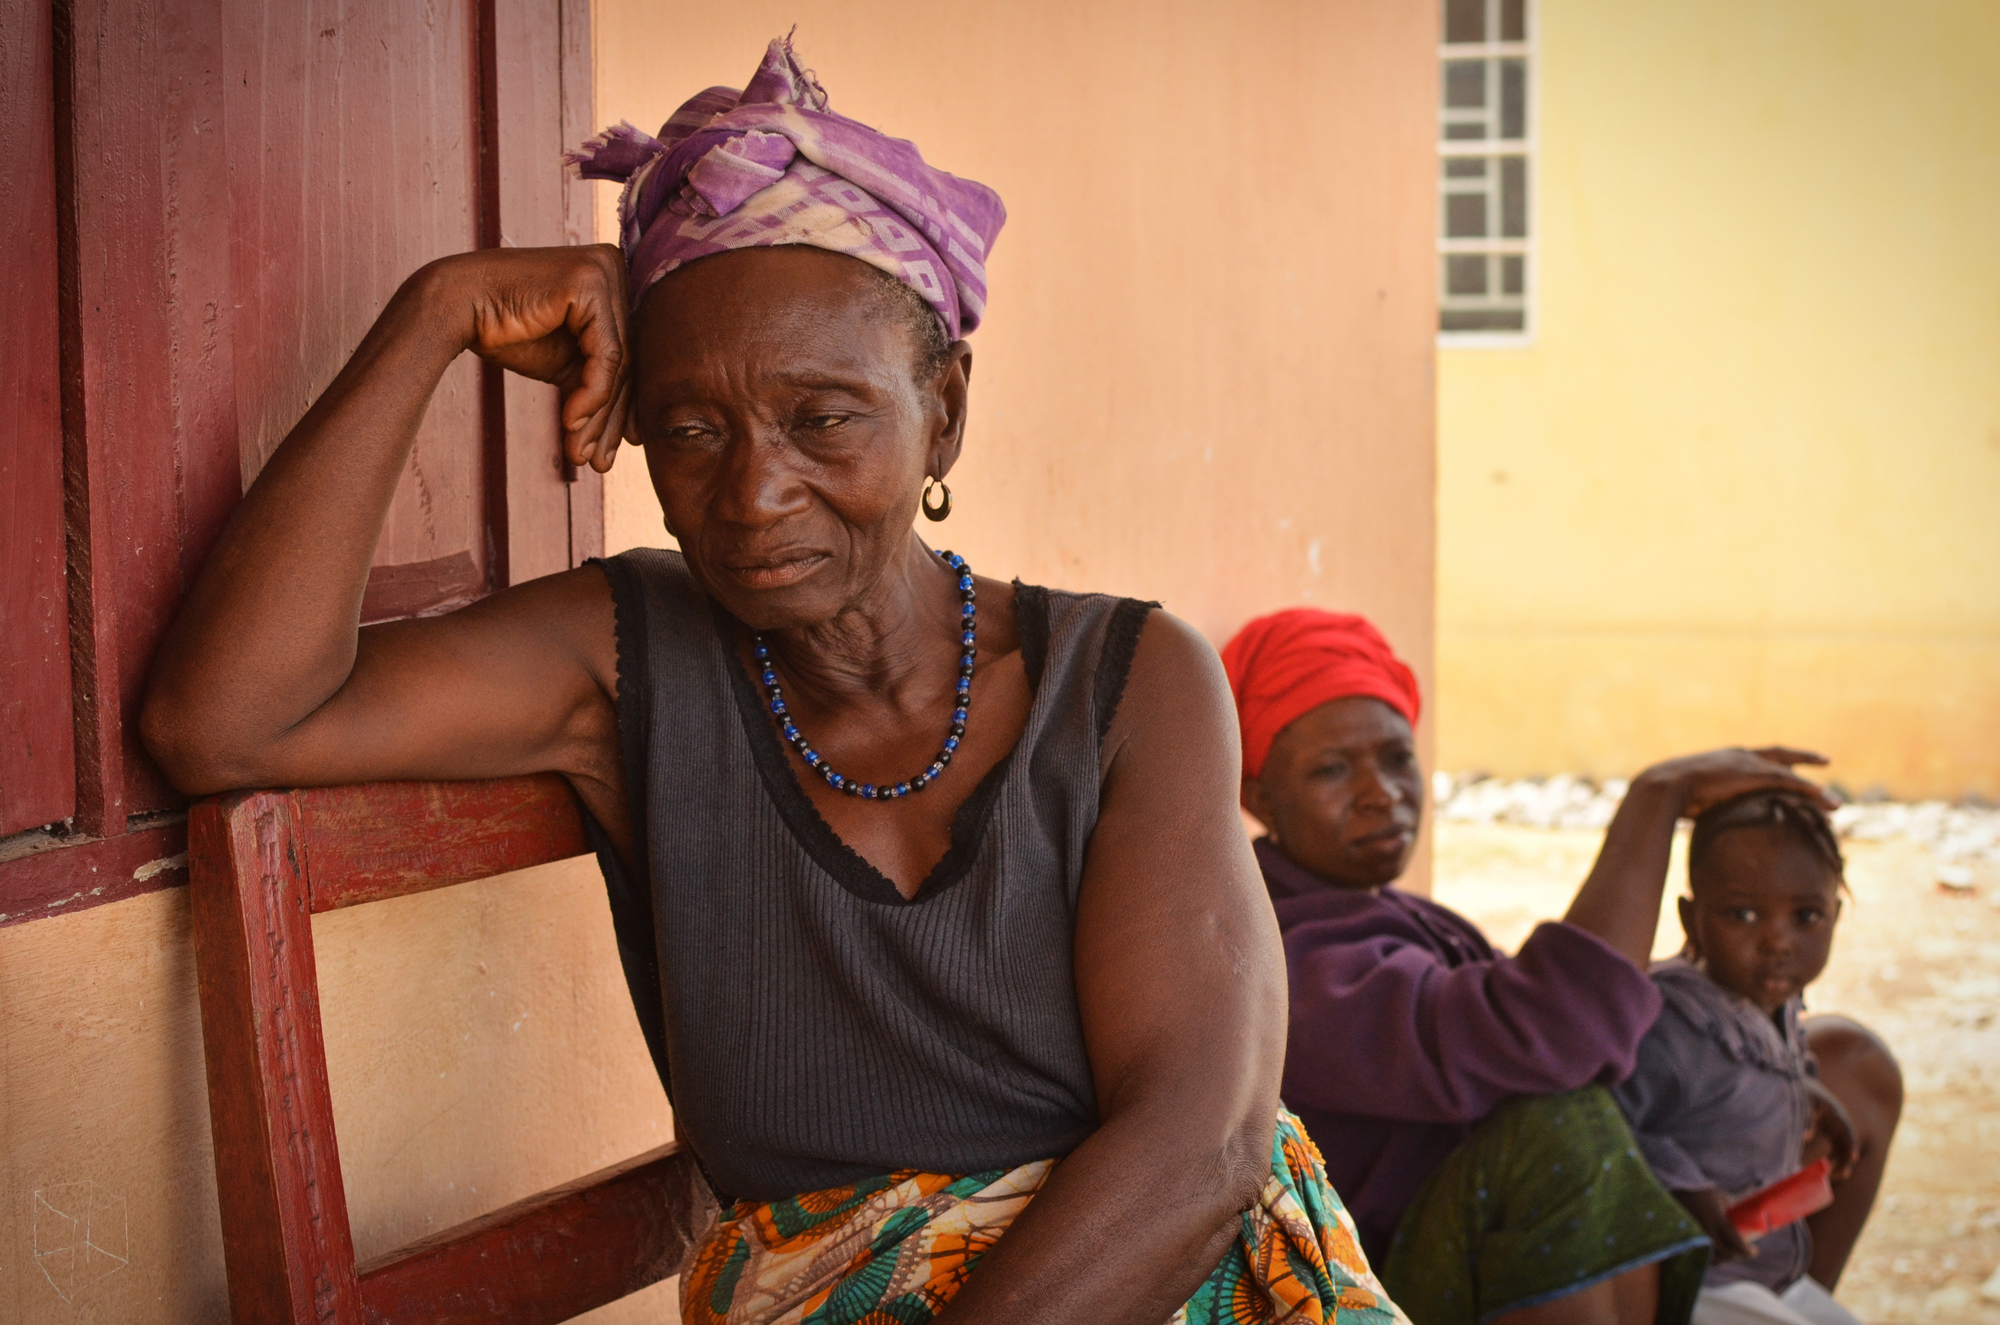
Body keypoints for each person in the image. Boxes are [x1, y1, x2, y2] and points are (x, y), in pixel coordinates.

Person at [143, 37, 1403, 1325]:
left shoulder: (1128, 680)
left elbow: (1198, 1144)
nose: (751, 494)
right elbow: (226, 720)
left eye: (822, 419)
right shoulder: (627, 656)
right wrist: (433, 314)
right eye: (690, 430)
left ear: (944, 414)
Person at [1220, 606, 1873, 1325]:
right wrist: (1655, 803)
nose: (1381, 791)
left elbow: (1574, 1029)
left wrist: (1778, 1084)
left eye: (1398, 756)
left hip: (1492, 1239)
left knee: (1847, 1058)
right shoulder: (1287, 956)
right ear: (1258, 798)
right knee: (1559, 1124)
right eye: (1332, 769)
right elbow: (1551, 1031)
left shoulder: (1392, 915)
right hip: (1383, 1281)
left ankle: (1782, 1289)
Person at [1613, 792, 1898, 1325]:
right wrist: (1681, 1185)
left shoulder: (1769, 1000)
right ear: (1692, 920)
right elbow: (1608, 1123)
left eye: (1806, 916)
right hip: (1693, 1283)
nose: (1777, 942)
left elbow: (1733, 1072)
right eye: (1742, 914)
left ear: (1835, 917)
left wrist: (1802, 1090)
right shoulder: (1671, 1023)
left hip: (1761, 1271)